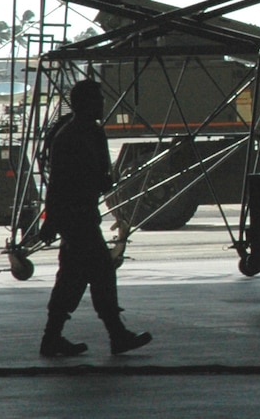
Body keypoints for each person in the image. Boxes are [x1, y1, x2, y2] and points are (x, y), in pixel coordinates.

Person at [40, 79, 153, 357]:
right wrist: (51, 221)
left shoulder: (92, 134)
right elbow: (58, 184)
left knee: (73, 277)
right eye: (97, 100)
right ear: (83, 104)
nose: (103, 104)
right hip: (75, 217)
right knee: (99, 273)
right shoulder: (69, 138)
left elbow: (101, 178)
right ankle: (116, 335)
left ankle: (53, 338)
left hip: (84, 216)